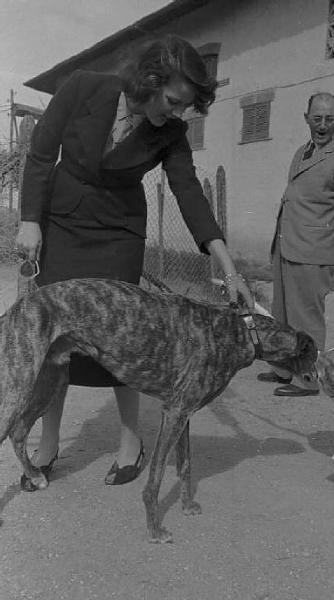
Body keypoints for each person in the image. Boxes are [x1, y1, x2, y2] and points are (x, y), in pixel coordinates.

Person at [16, 35, 253, 487]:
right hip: (62, 226)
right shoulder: (84, 86)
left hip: (118, 235)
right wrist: (31, 220)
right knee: (53, 340)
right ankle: (48, 445)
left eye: (186, 107)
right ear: (149, 80)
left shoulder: (171, 132)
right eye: (173, 101)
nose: (178, 113)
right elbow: (42, 153)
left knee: (124, 339)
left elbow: (188, 192)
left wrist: (228, 266)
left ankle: (130, 441)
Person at [258, 92, 334, 397]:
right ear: (306, 119)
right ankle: (283, 368)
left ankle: (307, 379)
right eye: (317, 118)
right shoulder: (301, 151)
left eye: (329, 119)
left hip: (313, 249)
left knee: (306, 316)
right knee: (282, 313)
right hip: (286, 243)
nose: (322, 125)